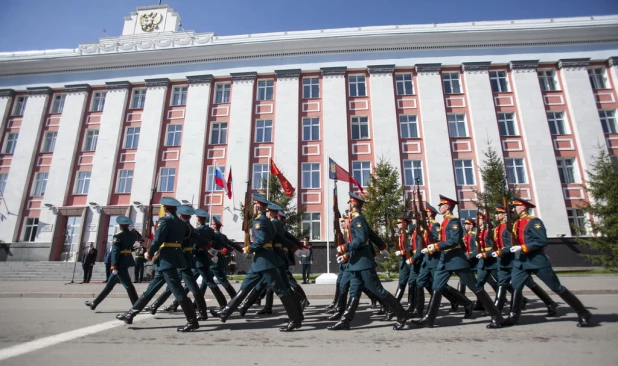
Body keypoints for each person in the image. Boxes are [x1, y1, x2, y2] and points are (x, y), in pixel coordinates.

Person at [497, 196, 592, 328]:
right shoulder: (516, 223)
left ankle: (583, 312)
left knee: (556, 287)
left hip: (536, 261)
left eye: (516, 207)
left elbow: (541, 241)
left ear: (523, 207)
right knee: (516, 287)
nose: (513, 210)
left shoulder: (534, 222)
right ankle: (513, 316)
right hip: (520, 262)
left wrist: (523, 247)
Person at [411, 195, 503, 329]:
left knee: (475, 287)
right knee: (436, 288)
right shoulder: (444, 222)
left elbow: (454, 241)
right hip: (444, 260)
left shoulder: (453, 222)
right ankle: (429, 318)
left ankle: (496, 316)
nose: (439, 207)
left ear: (447, 207)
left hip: (456, 260)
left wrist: (436, 246)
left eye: (441, 205)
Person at [216, 193, 303, 332]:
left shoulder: (260, 222)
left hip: (265, 261)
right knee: (245, 287)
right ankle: (226, 311)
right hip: (261, 261)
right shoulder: (267, 221)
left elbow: (262, 240)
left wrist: (250, 248)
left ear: (258, 206)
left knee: (280, 289)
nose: (253, 207)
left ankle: (295, 319)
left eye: (254, 205)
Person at [115, 197, 200, 332]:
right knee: (151, 289)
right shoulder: (182, 223)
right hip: (171, 258)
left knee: (177, 290)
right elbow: (189, 237)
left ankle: (192, 321)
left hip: (167, 259)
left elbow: (158, 240)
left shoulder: (165, 221)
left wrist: (150, 252)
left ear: (165, 208)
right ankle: (130, 314)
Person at [328, 192, 409, 331]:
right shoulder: (355, 219)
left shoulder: (358, 220)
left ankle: (401, 315)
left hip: (363, 262)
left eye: (349, 202)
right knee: (354, 292)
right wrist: (382, 246)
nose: (348, 204)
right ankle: (345, 321)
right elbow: (371, 233)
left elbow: (361, 240)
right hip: (355, 263)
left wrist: (344, 247)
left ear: (353, 204)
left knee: (378, 291)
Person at [85, 217, 139, 310]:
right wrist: (133, 231)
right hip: (126, 260)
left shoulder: (118, 235)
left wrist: (114, 265)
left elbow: (115, 251)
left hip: (119, 264)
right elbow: (140, 237)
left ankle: (138, 305)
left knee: (128, 285)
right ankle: (94, 303)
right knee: (109, 286)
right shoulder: (132, 234)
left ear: (120, 225)